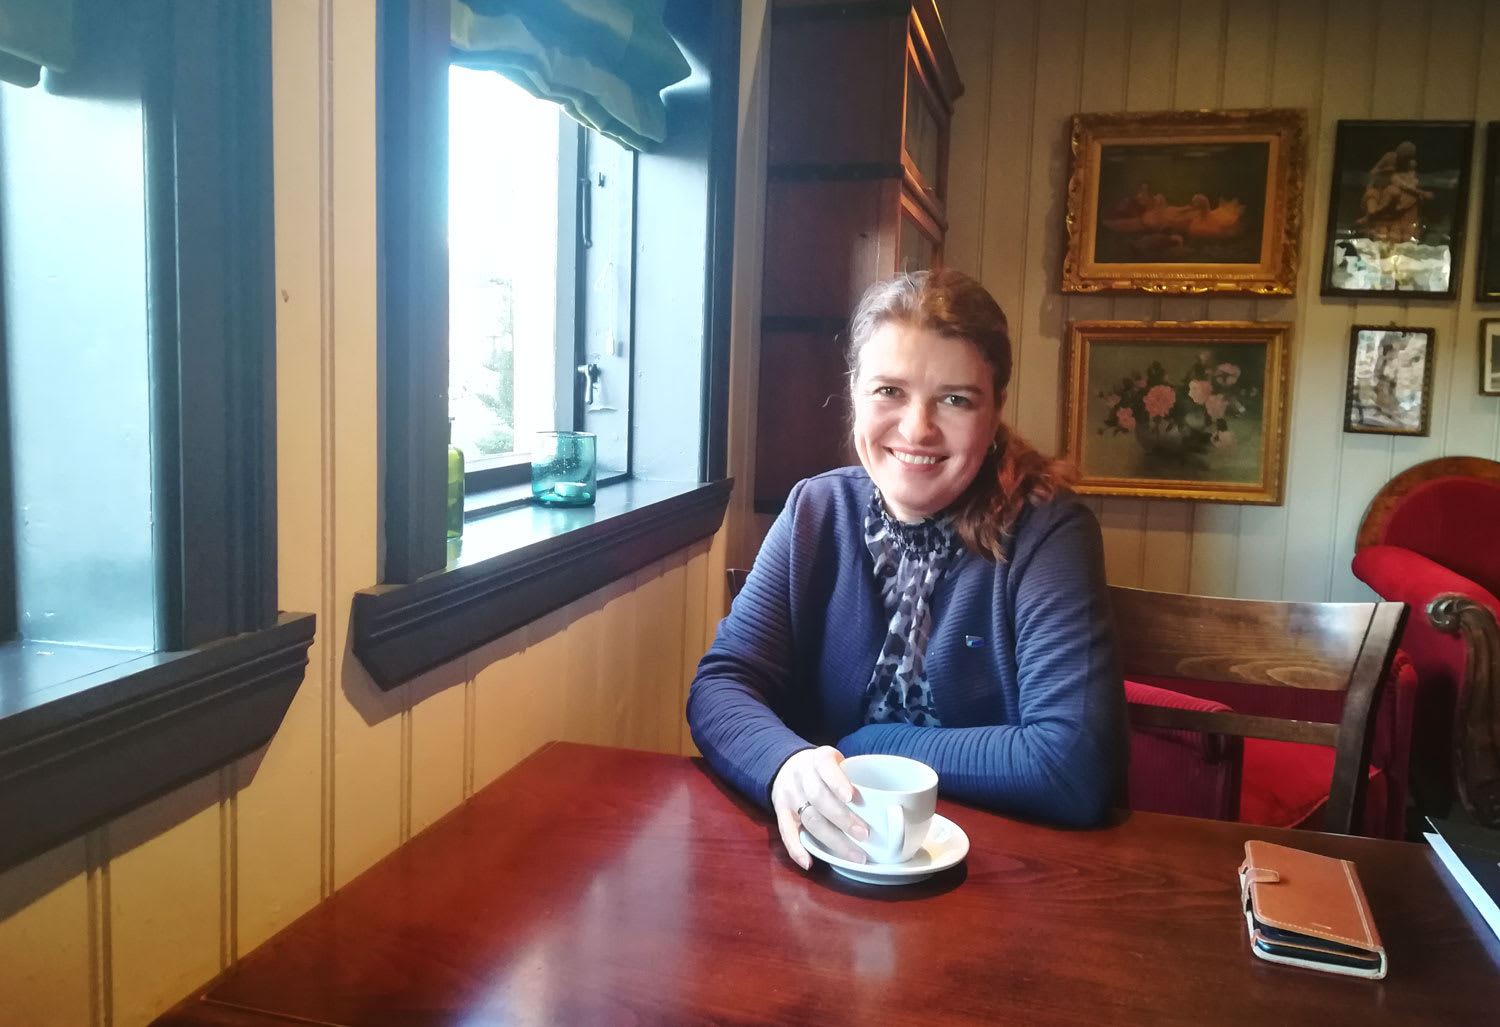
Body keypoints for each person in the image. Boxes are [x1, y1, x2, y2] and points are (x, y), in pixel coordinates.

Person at [686, 269, 1126, 870]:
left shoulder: (1048, 531)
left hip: (995, 873)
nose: (917, 428)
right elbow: (721, 684)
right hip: (829, 861)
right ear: (854, 392)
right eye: (889, 390)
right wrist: (786, 766)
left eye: (955, 399)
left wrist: (869, 746)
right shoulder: (816, 509)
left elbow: (1073, 762)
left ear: (996, 407)